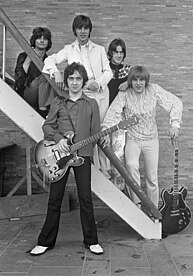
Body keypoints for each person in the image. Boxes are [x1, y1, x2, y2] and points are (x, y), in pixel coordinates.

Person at [29, 62, 103, 256]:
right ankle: (45, 241)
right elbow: (47, 127)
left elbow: (96, 133)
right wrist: (59, 140)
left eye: (79, 78)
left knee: (85, 198)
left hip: (83, 156)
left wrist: (82, 150)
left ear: (84, 81)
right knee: (55, 199)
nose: (75, 82)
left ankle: (91, 240)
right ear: (67, 81)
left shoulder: (91, 104)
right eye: (71, 78)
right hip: (58, 157)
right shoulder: (58, 102)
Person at [102, 65, 183, 208]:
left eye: (141, 80)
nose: (138, 83)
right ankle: (137, 204)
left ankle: (153, 210)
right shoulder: (125, 93)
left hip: (151, 140)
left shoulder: (154, 90)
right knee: (131, 165)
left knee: (152, 177)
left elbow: (175, 102)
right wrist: (106, 131)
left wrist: (175, 125)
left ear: (146, 81)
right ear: (130, 81)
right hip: (133, 139)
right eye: (135, 80)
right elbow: (112, 114)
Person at [42, 14, 113, 173]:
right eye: (79, 28)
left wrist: (99, 82)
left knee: (99, 132)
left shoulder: (100, 50)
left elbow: (109, 72)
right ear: (75, 30)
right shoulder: (68, 49)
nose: (83, 31)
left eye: (86, 28)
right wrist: (57, 73)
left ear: (89, 30)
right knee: (83, 133)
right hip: (79, 94)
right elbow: (49, 60)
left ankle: (105, 171)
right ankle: (90, 167)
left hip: (98, 94)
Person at [107, 38, 132, 190]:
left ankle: (119, 189)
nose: (118, 55)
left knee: (118, 153)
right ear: (110, 52)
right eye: (115, 51)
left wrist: (128, 82)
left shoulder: (129, 70)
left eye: (121, 52)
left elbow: (141, 79)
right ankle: (106, 189)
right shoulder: (103, 69)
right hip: (104, 116)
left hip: (120, 118)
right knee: (103, 153)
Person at [14, 27, 52, 118]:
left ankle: (46, 110)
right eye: (39, 38)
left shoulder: (49, 60)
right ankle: (43, 113)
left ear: (48, 42)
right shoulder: (23, 56)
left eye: (45, 38)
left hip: (43, 96)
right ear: (34, 40)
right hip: (27, 91)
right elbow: (19, 80)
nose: (42, 41)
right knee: (44, 77)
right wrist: (29, 58)